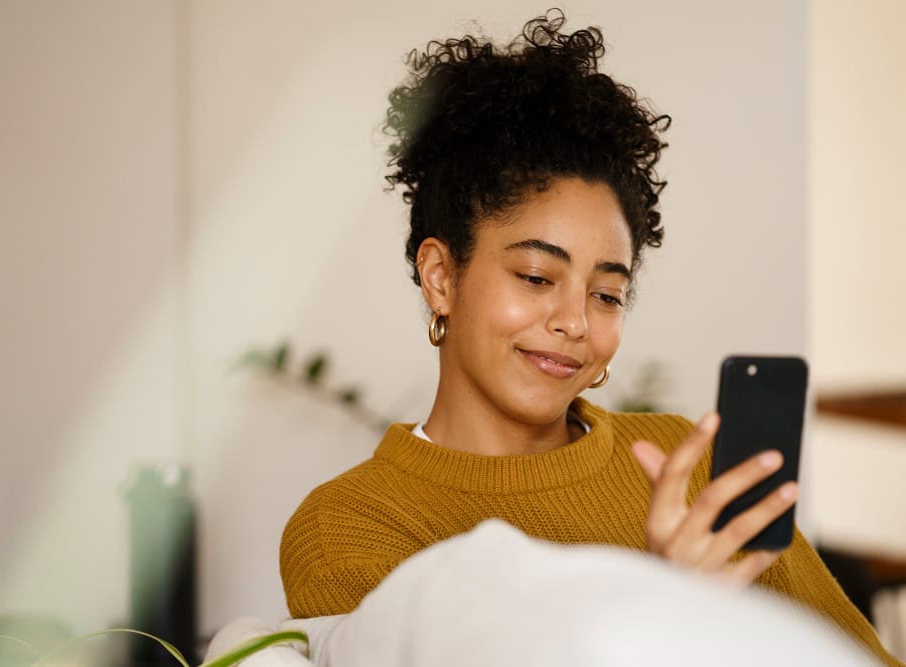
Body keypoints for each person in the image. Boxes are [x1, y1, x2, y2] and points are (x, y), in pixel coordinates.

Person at [278, 10, 901, 665]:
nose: (576, 321)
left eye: (607, 293)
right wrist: (672, 612)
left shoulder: (687, 468)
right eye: (536, 274)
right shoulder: (352, 523)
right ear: (440, 276)